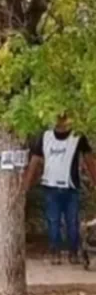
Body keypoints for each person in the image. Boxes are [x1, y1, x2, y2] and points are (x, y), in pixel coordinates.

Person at [26, 113, 96, 265]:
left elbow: (89, 160)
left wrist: (94, 180)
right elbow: (35, 162)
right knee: (53, 221)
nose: (61, 120)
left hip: (71, 187)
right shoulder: (45, 136)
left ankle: (73, 252)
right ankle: (54, 252)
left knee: (72, 221)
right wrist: (26, 185)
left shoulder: (78, 136)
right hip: (51, 186)